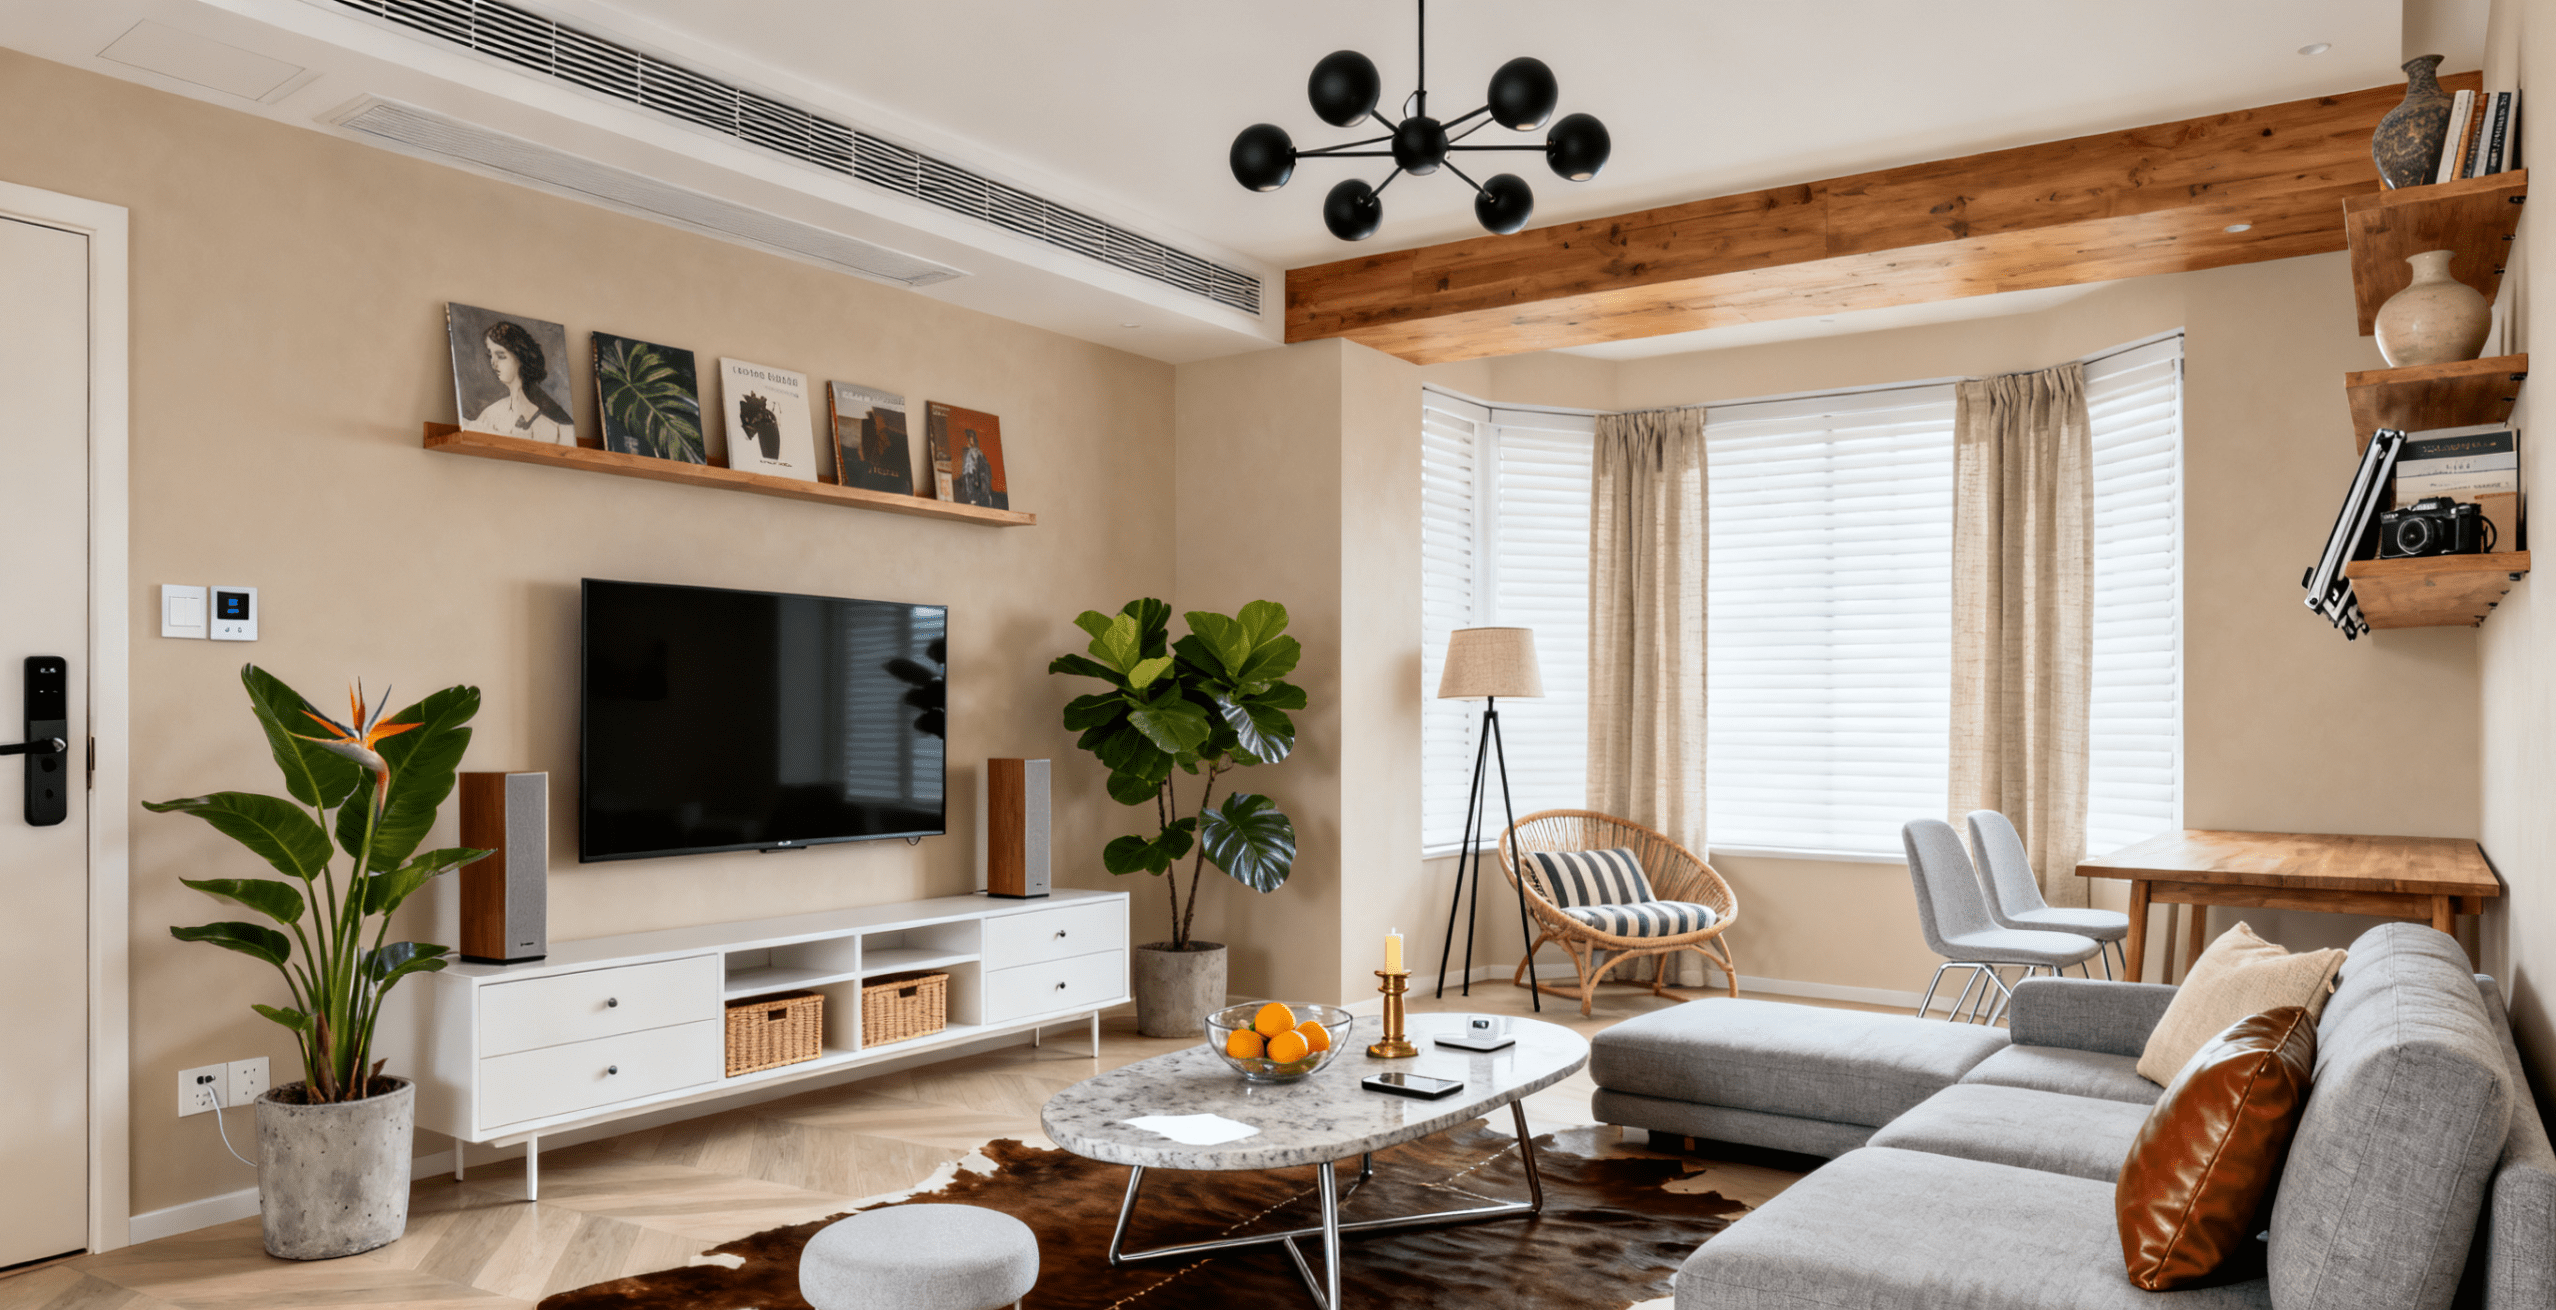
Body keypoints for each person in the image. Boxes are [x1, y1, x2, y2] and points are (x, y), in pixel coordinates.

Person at [471, 320, 573, 444]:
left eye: (501, 355)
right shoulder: (489, 415)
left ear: (520, 356)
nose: (493, 363)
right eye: (490, 355)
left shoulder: (558, 424)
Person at [956, 428, 993, 506]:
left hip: (976, 477)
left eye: (972, 438)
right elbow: (966, 468)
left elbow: (982, 468)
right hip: (969, 476)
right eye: (969, 438)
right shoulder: (967, 452)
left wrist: (976, 478)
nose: (970, 440)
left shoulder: (978, 453)